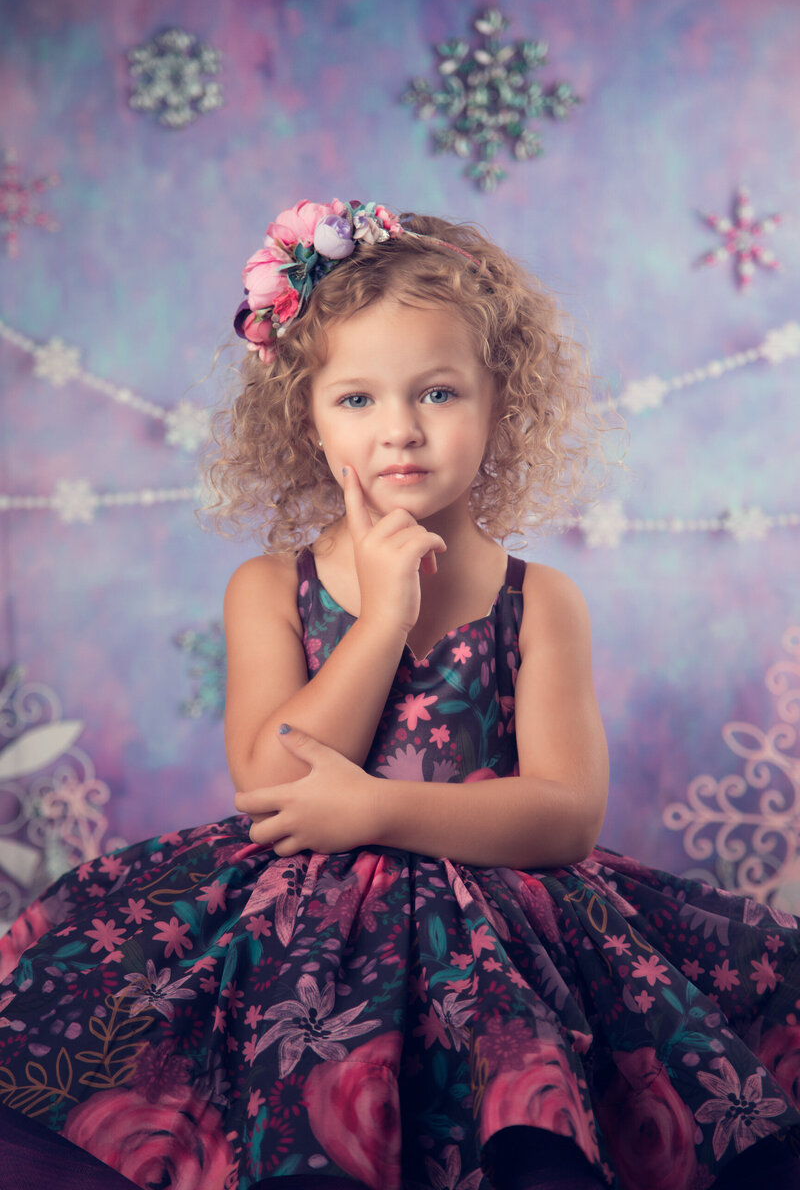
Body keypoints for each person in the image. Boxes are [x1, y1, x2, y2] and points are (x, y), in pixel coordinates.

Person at [0, 197, 799, 1190]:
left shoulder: (536, 601)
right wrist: (379, 619)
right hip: (299, 951)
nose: (400, 433)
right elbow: (271, 780)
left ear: (498, 399)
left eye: (436, 394)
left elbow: (561, 817)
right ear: (303, 415)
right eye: (357, 400)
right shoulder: (268, 589)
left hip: (502, 950)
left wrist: (377, 807)